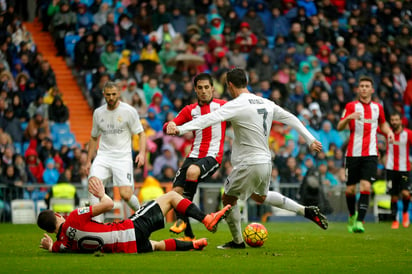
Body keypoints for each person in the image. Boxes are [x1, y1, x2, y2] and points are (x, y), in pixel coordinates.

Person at [167, 68, 327, 249]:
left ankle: (237, 242)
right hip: (266, 162)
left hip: (248, 163)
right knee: (260, 197)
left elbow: (207, 119)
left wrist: (180, 129)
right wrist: (310, 139)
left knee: (228, 198)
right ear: (246, 82)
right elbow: (291, 118)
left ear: (230, 85)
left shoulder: (236, 104)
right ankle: (303, 210)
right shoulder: (266, 102)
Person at [37, 177, 231, 253]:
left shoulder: (60, 245)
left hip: (127, 247)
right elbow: (109, 204)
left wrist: (49, 246)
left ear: (48, 230)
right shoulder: (73, 218)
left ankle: (194, 244)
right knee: (172, 196)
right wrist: (100, 193)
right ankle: (207, 219)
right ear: (57, 214)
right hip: (130, 229)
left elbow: (55, 246)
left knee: (157, 245)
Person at [163, 73, 226, 241]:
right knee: (175, 193)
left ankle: (182, 219)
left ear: (213, 88)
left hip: (213, 156)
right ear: (195, 90)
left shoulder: (224, 106)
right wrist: (169, 125)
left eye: (207, 87)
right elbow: (172, 124)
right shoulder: (189, 110)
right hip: (193, 156)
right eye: (200, 88)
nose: (204, 91)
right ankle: (189, 235)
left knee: (192, 171)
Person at [337, 76, 394, 233]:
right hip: (352, 154)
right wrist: (348, 117)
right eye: (361, 85)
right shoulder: (350, 106)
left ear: (372, 89)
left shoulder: (378, 107)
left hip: (371, 154)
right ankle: (351, 215)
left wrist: (389, 132)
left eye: (367, 86)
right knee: (349, 190)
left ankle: (360, 222)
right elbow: (340, 127)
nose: (363, 88)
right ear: (358, 89)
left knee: (366, 186)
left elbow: (383, 123)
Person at [85, 81, 146, 222]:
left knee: (126, 194)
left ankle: (143, 215)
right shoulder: (98, 113)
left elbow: (141, 134)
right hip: (103, 156)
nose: (111, 97)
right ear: (103, 94)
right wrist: (89, 161)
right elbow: (94, 138)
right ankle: (97, 227)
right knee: (93, 186)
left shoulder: (129, 111)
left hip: (122, 158)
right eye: (108, 95)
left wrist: (141, 153)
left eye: (113, 94)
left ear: (119, 93)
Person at [382, 112, 412, 229]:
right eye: (392, 120)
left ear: (401, 121)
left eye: (396, 120)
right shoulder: (387, 133)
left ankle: (405, 214)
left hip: (405, 169)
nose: (394, 122)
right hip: (391, 169)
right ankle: (395, 220)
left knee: (405, 193)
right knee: (393, 196)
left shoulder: (408, 134)